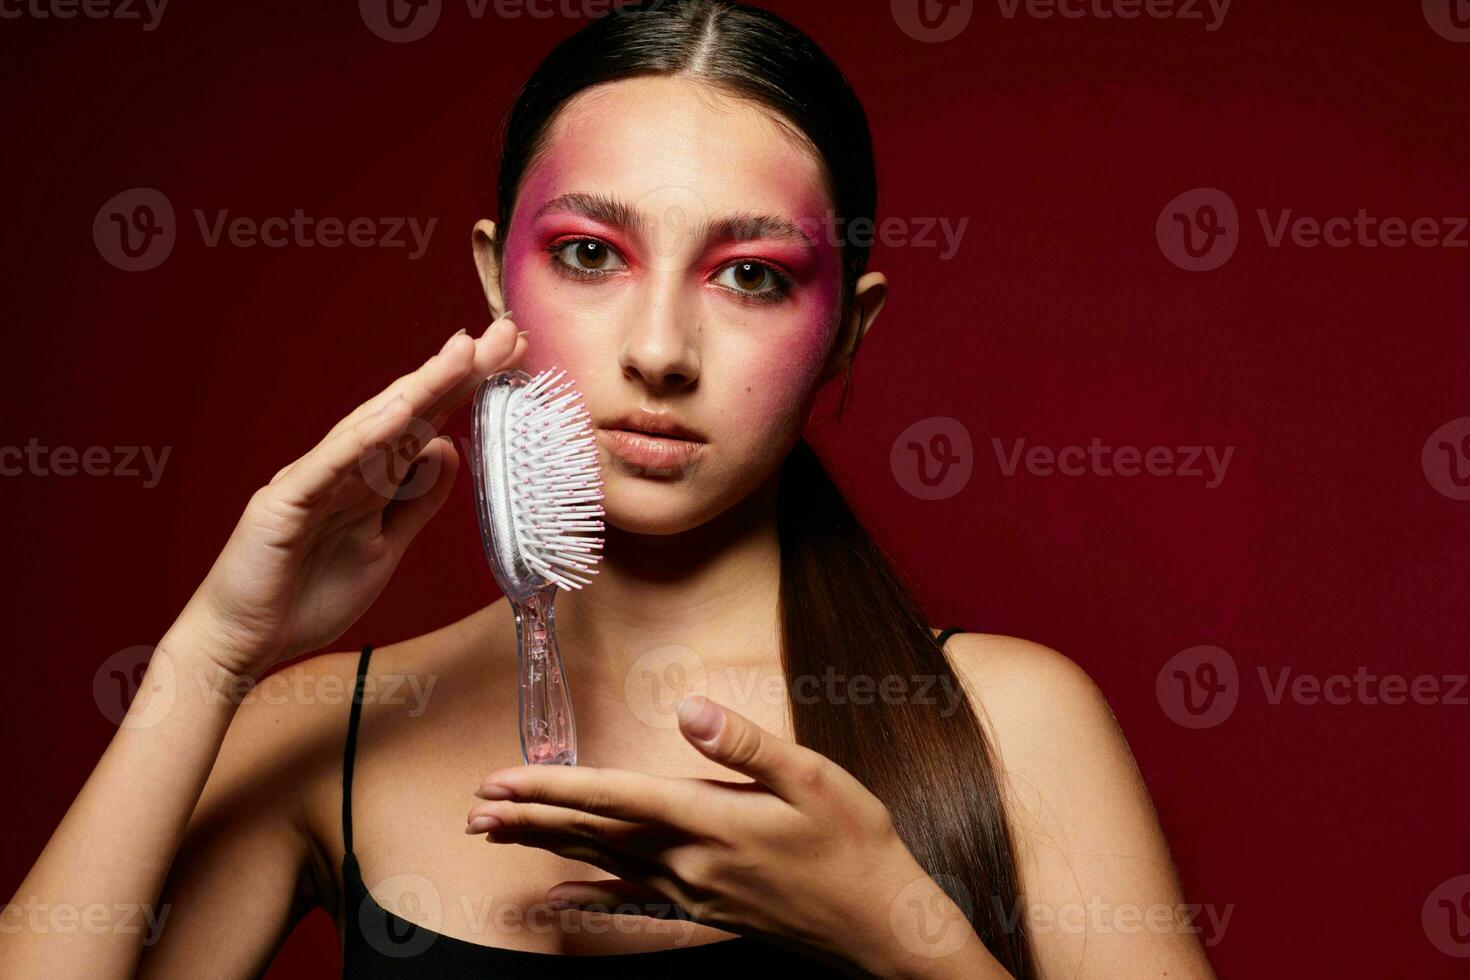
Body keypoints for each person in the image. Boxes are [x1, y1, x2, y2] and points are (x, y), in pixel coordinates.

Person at [3, 2, 1217, 976]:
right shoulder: (328, 730)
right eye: (591, 254)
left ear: (847, 332)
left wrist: (902, 927)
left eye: (750, 274)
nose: (659, 349)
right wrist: (212, 654)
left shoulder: (1012, 720)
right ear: (496, 281)